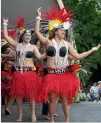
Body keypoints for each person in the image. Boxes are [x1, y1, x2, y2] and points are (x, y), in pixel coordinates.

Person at [34, 7, 101, 122]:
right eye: (62, 30)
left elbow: (78, 56)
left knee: (65, 99)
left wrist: (92, 50)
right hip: (52, 75)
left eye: (64, 31)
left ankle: (67, 120)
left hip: (65, 75)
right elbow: (36, 32)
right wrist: (38, 17)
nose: (64, 32)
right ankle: (51, 120)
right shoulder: (48, 42)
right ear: (55, 31)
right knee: (53, 99)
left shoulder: (67, 44)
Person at [3, 17, 45, 122]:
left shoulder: (33, 47)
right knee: (19, 95)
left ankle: (33, 114)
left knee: (31, 95)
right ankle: (20, 115)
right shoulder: (17, 45)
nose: (28, 36)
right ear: (22, 36)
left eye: (29, 35)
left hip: (29, 73)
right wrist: (4, 23)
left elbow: (39, 58)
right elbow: (6, 36)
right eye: (26, 35)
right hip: (18, 73)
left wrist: (48, 53)